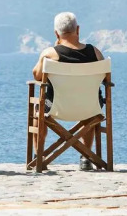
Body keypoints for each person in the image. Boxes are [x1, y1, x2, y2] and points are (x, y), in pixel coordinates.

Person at [31, 11, 105, 171]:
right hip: (90, 108)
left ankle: (39, 156)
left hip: (55, 107)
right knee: (89, 108)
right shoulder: (95, 52)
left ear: (56, 33)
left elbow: (36, 75)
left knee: (38, 108)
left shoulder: (50, 54)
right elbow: (105, 77)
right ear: (78, 30)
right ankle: (86, 157)